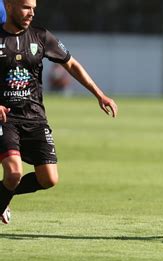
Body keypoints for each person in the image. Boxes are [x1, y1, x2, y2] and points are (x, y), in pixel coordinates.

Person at [0, 0, 118, 224]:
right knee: (13, 173)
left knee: (49, 179)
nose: (31, 13)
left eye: (34, 8)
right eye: (26, 7)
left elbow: (71, 64)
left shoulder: (41, 36)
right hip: (5, 118)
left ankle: (3, 195)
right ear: (10, 5)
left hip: (35, 118)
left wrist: (99, 94)